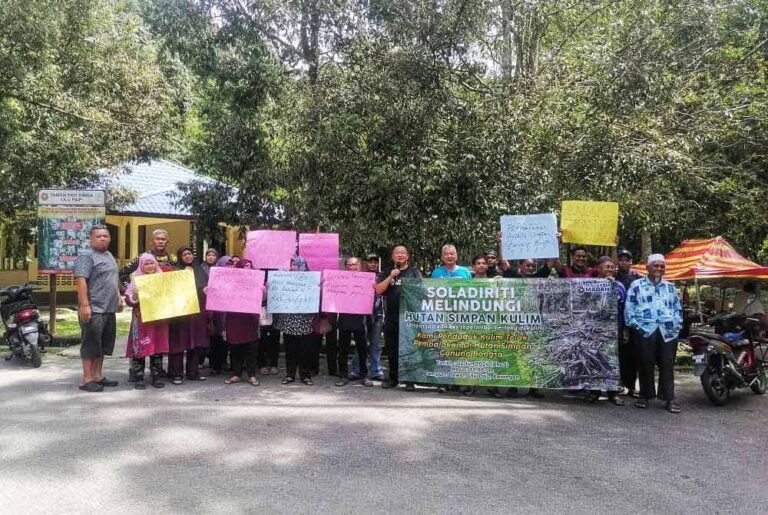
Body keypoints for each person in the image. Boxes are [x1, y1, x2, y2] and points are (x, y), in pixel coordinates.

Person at [624, 254, 683, 414]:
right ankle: (644, 395)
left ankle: (669, 398)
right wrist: (636, 326)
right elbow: (629, 307)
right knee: (644, 363)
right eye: (655, 265)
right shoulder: (637, 285)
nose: (659, 268)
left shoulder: (670, 286)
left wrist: (677, 325)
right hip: (645, 330)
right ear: (647, 267)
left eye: (662, 266)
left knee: (667, 364)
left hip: (668, 332)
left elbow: (677, 308)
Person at [120, 228, 176, 382]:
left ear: (167, 241)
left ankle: (157, 373)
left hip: (160, 309)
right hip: (142, 310)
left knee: (158, 341)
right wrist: (131, 290)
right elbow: (122, 273)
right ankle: (136, 372)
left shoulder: (172, 259)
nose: (160, 241)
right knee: (140, 340)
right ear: (152, 241)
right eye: (157, 239)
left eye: (163, 239)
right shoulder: (142, 257)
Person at [74, 226, 123, 392]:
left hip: (109, 308)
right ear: (91, 239)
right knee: (90, 344)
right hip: (94, 309)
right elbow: (81, 281)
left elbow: (113, 278)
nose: (103, 238)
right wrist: (84, 305)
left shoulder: (109, 255)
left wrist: (118, 297)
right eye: (99, 236)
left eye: (106, 236)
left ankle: (97, 375)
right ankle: (86, 379)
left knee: (102, 345)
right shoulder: (86, 256)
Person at [377, 245, 422, 390]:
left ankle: (409, 380)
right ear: (392, 256)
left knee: (409, 349)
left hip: (409, 317)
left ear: (407, 256)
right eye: (397, 253)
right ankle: (393, 378)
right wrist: (391, 276)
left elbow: (421, 292)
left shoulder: (414, 272)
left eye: (403, 253)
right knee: (392, 349)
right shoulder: (387, 272)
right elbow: (378, 290)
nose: (400, 255)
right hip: (391, 316)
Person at [124, 253, 169, 390]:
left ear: (156, 264)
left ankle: (156, 377)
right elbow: (129, 301)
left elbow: (170, 296)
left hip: (158, 318)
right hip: (141, 319)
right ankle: (139, 377)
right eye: (146, 264)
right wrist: (135, 294)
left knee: (157, 347)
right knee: (140, 346)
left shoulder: (162, 278)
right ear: (141, 266)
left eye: (152, 263)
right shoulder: (137, 279)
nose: (150, 266)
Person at [585, 256, 625, 406]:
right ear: (599, 269)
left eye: (612, 267)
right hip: (594, 329)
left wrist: (624, 329)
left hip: (613, 330)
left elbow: (623, 306)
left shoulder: (619, 286)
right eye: (607, 266)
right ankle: (594, 392)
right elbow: (586, 302)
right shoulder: (590, 284)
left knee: (612, 361)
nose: (610, 269)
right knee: (594, 358)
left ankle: (612, 393)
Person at [167, 246, 210, 385]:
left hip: (197, 313)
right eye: (184, 254)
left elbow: (206, 287)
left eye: (190, 254)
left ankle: (193, 372)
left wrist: (206, 290)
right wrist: (183, 276)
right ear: (180, 257)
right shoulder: (175, 271)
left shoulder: (200, 271)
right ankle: (176, 373)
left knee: (195, 343)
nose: (188, 256)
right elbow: (170, 290)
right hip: (180, 313)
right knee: (178, 343)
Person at [275, 256, 316, 386]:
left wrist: (318, 288)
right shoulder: (284, 279)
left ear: (302, 266)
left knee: (305, 351)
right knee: (290, 351)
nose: (293, 267)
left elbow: (315, 298)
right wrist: (273, 286)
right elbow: (277, 295)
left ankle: (305, 376)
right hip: (289, 321)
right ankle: (290, 375)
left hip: (305, 321)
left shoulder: (311, 280)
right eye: (291, 265)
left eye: (295, 265)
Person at [335, 257, 373, 387]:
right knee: (343, 350)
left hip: (360, 319)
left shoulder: (366, 279)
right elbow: (332, 293)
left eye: (354, 265)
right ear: (345, 267)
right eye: (349, 265)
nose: (352, 267)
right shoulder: (339, 279)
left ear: (359, 266)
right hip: (345, 319)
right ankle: (343, 376)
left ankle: (364, 376)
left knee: (363, 350)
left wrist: (373, 287)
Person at [224, 259, 261, 386]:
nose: (247, 268)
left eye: (250, 266)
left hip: (250, 319)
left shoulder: (257, 281)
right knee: (235, 348)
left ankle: (251, 375)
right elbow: (222, 296)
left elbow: (262, 300)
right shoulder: (231, 282)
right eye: (245, 266)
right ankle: (236, 374)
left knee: (251, 348)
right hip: (235, 319)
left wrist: (263, 291)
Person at [350, 253, 385, 381]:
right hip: (362, 315)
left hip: (377, 314)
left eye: (375, 262)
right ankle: (356, 370)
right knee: (361, 344)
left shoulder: (382, 276)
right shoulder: (359, 276)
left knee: (375, 344)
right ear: (365, 263)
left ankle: (376, 371)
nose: (373, 264)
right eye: (370, 261)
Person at [615, 248, 642, 398]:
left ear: (631, 262)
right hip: (618, 320)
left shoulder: (637, 278)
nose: (624, 262)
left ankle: (631, 386)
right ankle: (620, 384)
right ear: (617, 261)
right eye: (621, 260)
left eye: (627, 260)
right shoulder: (613, 276)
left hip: (633, 321)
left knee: (634, 355)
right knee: (620, 355)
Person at [208, 255, 232, 375]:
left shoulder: (235, 278)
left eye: (230, 264)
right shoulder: (215, 278)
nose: (229, 266)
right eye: (227, 264)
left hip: (230, 313)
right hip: (218, 314)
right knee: (217, 339)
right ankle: (215, 364)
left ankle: (224, 362)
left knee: (227, 339)